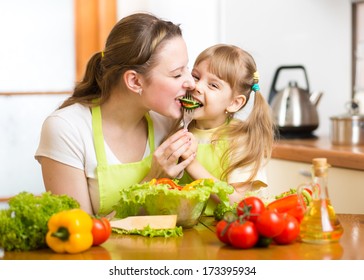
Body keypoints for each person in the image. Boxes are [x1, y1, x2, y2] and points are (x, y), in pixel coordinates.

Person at [35, 13, 196, 216]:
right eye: (177, 74)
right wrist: (153, 180)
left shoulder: (168, 123)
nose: (191, 82)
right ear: (135, 82)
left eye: (188, 69)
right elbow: (81, 234)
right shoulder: (66, 128)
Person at [178, 44, 275, 213]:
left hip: (223, 230)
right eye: (195, 76)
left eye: (213, 85)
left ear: (234, 103)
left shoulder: (240, 139)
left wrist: (191, 164)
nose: (197, 87)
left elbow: (239, 202)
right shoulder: (178, 127)